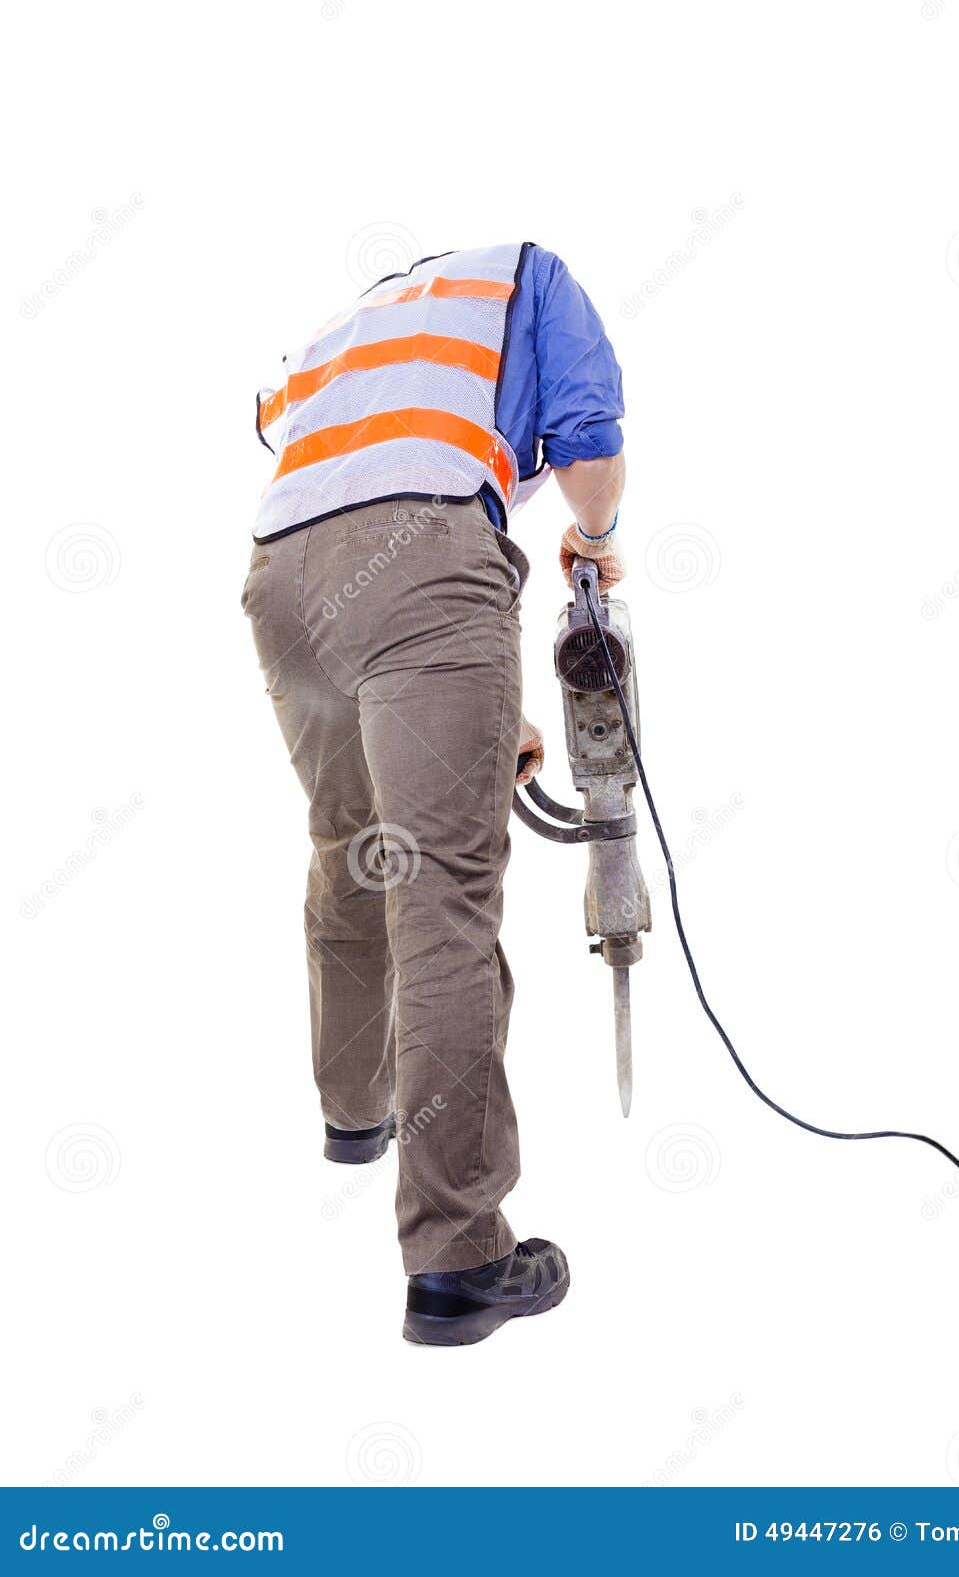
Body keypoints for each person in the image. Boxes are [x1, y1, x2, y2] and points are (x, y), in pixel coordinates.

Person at [243, 242, 625, 1345]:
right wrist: (594, 541)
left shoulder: (354, 323)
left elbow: (314, 459)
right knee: (443, 893)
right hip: (423, 564)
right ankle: (460, 1258)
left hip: (280, 570)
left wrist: (473, 703)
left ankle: (353, 1115)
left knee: (352, 853)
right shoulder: (528, 275)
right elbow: (590, 434)